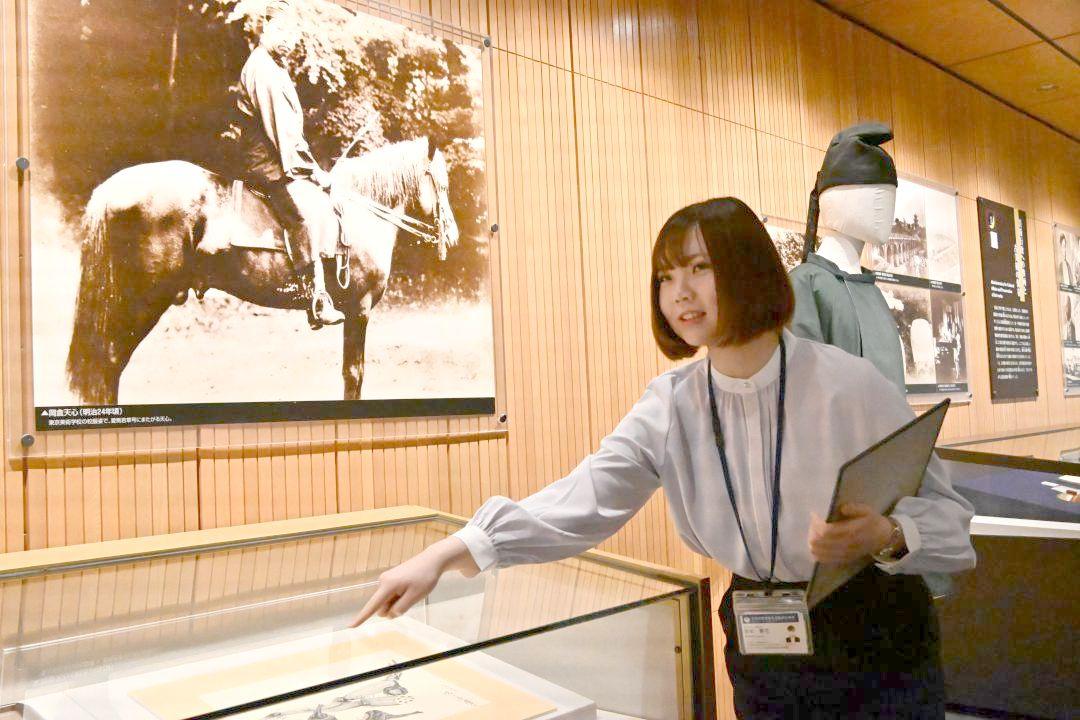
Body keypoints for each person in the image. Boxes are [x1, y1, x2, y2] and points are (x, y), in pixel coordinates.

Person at [352, 198, 976, 718]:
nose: (680, 293)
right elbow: (586, 498)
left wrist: (886, 534)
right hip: (762, 640)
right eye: (665, 276)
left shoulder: (850, 385)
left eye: (700, 268)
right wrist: (449, 552)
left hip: (874, 634)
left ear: (750, 269)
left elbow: (950, 523)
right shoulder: (672, 403)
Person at [235, 1, 345, 328]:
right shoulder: (263, 69)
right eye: (282, 30)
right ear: (266, 27)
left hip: (272, 156)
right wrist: (315, 172)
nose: (288, 39)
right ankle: (315, 299)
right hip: (265, 163)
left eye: (293, 33)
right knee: (301, 218)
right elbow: (282, 134)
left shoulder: (273, 65)